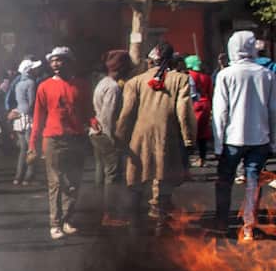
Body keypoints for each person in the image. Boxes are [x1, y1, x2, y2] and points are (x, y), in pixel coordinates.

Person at [115, 41, 195, 228]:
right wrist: (189, 139)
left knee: (138, 180)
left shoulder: (134, 82)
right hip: (168, 136)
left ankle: (136, 224)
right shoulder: (180, 79)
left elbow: (126, 114)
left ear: (150, 61)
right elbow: (184, 113)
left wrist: (119, 138)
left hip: (139, 138)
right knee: (163, 179)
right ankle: (160, 220)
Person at [213, 30, 276, 241]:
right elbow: (273, 111)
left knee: (224, 182)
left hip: (232, 139)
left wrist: (218, 144)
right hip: (260, 138)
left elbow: (220, 112)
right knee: (252, 184)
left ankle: (222, 223)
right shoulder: (267, 75)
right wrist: (274, 141)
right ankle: (248, 227)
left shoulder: (225, 75)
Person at [30, 47, 92, 240]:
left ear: (69, 62)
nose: (56, 64)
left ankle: (67, 219)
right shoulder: (44, 86)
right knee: (55, 183)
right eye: (53, 61)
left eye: (60, 60)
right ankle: (55, 223)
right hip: (53, 139)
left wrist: (94, 124)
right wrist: (33, 144)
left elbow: (88, 112)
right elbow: (38, 118)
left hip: (76, 138)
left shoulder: (82, 85)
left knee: (73, 183)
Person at [91, 50, 134, 226]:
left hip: (96, 134)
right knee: (113, 175)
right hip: (105, 135)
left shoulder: (103, 82)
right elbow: (108, 117)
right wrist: (114, 140)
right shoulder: (113, 88)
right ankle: (110, 214)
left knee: (101, 172)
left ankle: (99, 207)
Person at [10, 59, 42, 186]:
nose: (37, 70)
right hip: (28, 117)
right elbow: (32, 102)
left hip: (18, 117)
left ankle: (18, 177)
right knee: (31, 148)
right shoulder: (31, 83)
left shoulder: (18, 83)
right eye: (34, 68)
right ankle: (29, 176)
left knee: (23, 149)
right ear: (30, 70)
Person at [185, 55, 214, 167]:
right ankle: (202, 159)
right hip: (206, 104)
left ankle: (189, 158)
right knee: (203, 133)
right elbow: (210, 93)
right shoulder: (207, 77)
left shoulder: (190, 75)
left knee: (191, 132)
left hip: (194, 105)